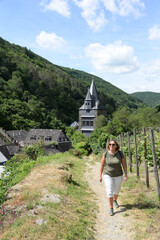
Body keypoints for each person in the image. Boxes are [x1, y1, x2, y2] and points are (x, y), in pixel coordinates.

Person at [99, 139, 127, 216]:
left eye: (113, 144)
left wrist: (126, 174)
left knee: (116, 190)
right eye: (110, 144)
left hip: (118, 174)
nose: (111, 146)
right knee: (109, 190)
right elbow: (102, 165)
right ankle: (111, 208)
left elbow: (124, 164)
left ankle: (115, 200)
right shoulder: (105, 154)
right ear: (108, 145)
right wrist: (100, 176)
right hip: (108, 174)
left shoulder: (120, 154)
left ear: (116, 146)